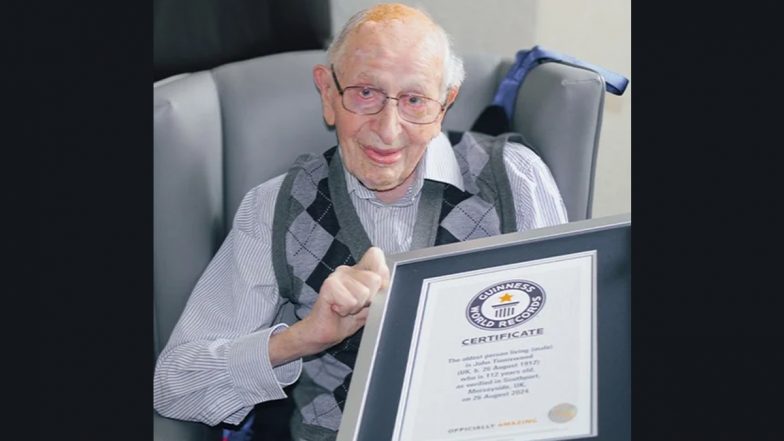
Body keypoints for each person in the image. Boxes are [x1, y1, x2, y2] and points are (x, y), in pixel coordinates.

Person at [153, 3, 568, 440]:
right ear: (328, 94)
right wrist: (302, 337)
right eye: (365, 93)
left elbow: (564, 352)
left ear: (445, 104)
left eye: (414, 100)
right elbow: (175, 387)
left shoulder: (514, 178)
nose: (388, 130)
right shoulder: (273, 206)